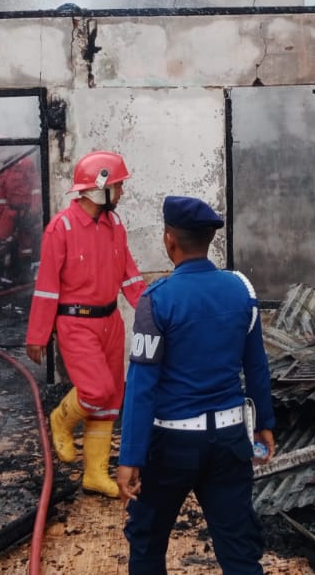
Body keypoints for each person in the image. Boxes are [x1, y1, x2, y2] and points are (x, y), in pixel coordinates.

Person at [117, 196, 275, 575]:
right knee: (239, 549)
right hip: (230, 441)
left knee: (148, 543)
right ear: (209, 240)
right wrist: (265, 423)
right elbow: (256, 365)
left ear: (169, 239)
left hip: (171, 447)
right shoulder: (241, 290)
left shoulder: (157, 300)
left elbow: (141, 385)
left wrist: (130, 458)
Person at [25, 150, 146, 496]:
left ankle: (94, 474)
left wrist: (153, 311)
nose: (122, 193)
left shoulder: (116, 224)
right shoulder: (59, 229)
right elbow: (47, 288)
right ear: (101, 188)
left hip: (111, 322)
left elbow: (130, 275)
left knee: (110, 400)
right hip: (76, 324)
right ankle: (61, 419)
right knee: (95, 391)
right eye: (119, 186)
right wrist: (38, 335)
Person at [0, 147, 42, 280]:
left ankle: (26, 271)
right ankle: (7, 268)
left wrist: (34, 208)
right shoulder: (3, 169)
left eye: (0, 151)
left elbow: (35, 187)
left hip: (25, 209)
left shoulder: (26, 163)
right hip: (10, 209)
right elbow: (2, 196)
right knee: (2, 235)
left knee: (26, 241)